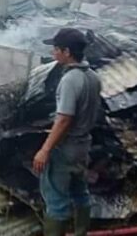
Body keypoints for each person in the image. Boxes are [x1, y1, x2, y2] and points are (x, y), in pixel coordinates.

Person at [32, 28, 102, 236]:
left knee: (56, 200)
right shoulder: (93, 77)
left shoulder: (70, 80)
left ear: (67, 52)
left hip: (66, 149)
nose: (53, 53)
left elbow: (63, 119)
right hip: (83, 146)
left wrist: (45, 150)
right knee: (81, 192)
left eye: (56, 49)